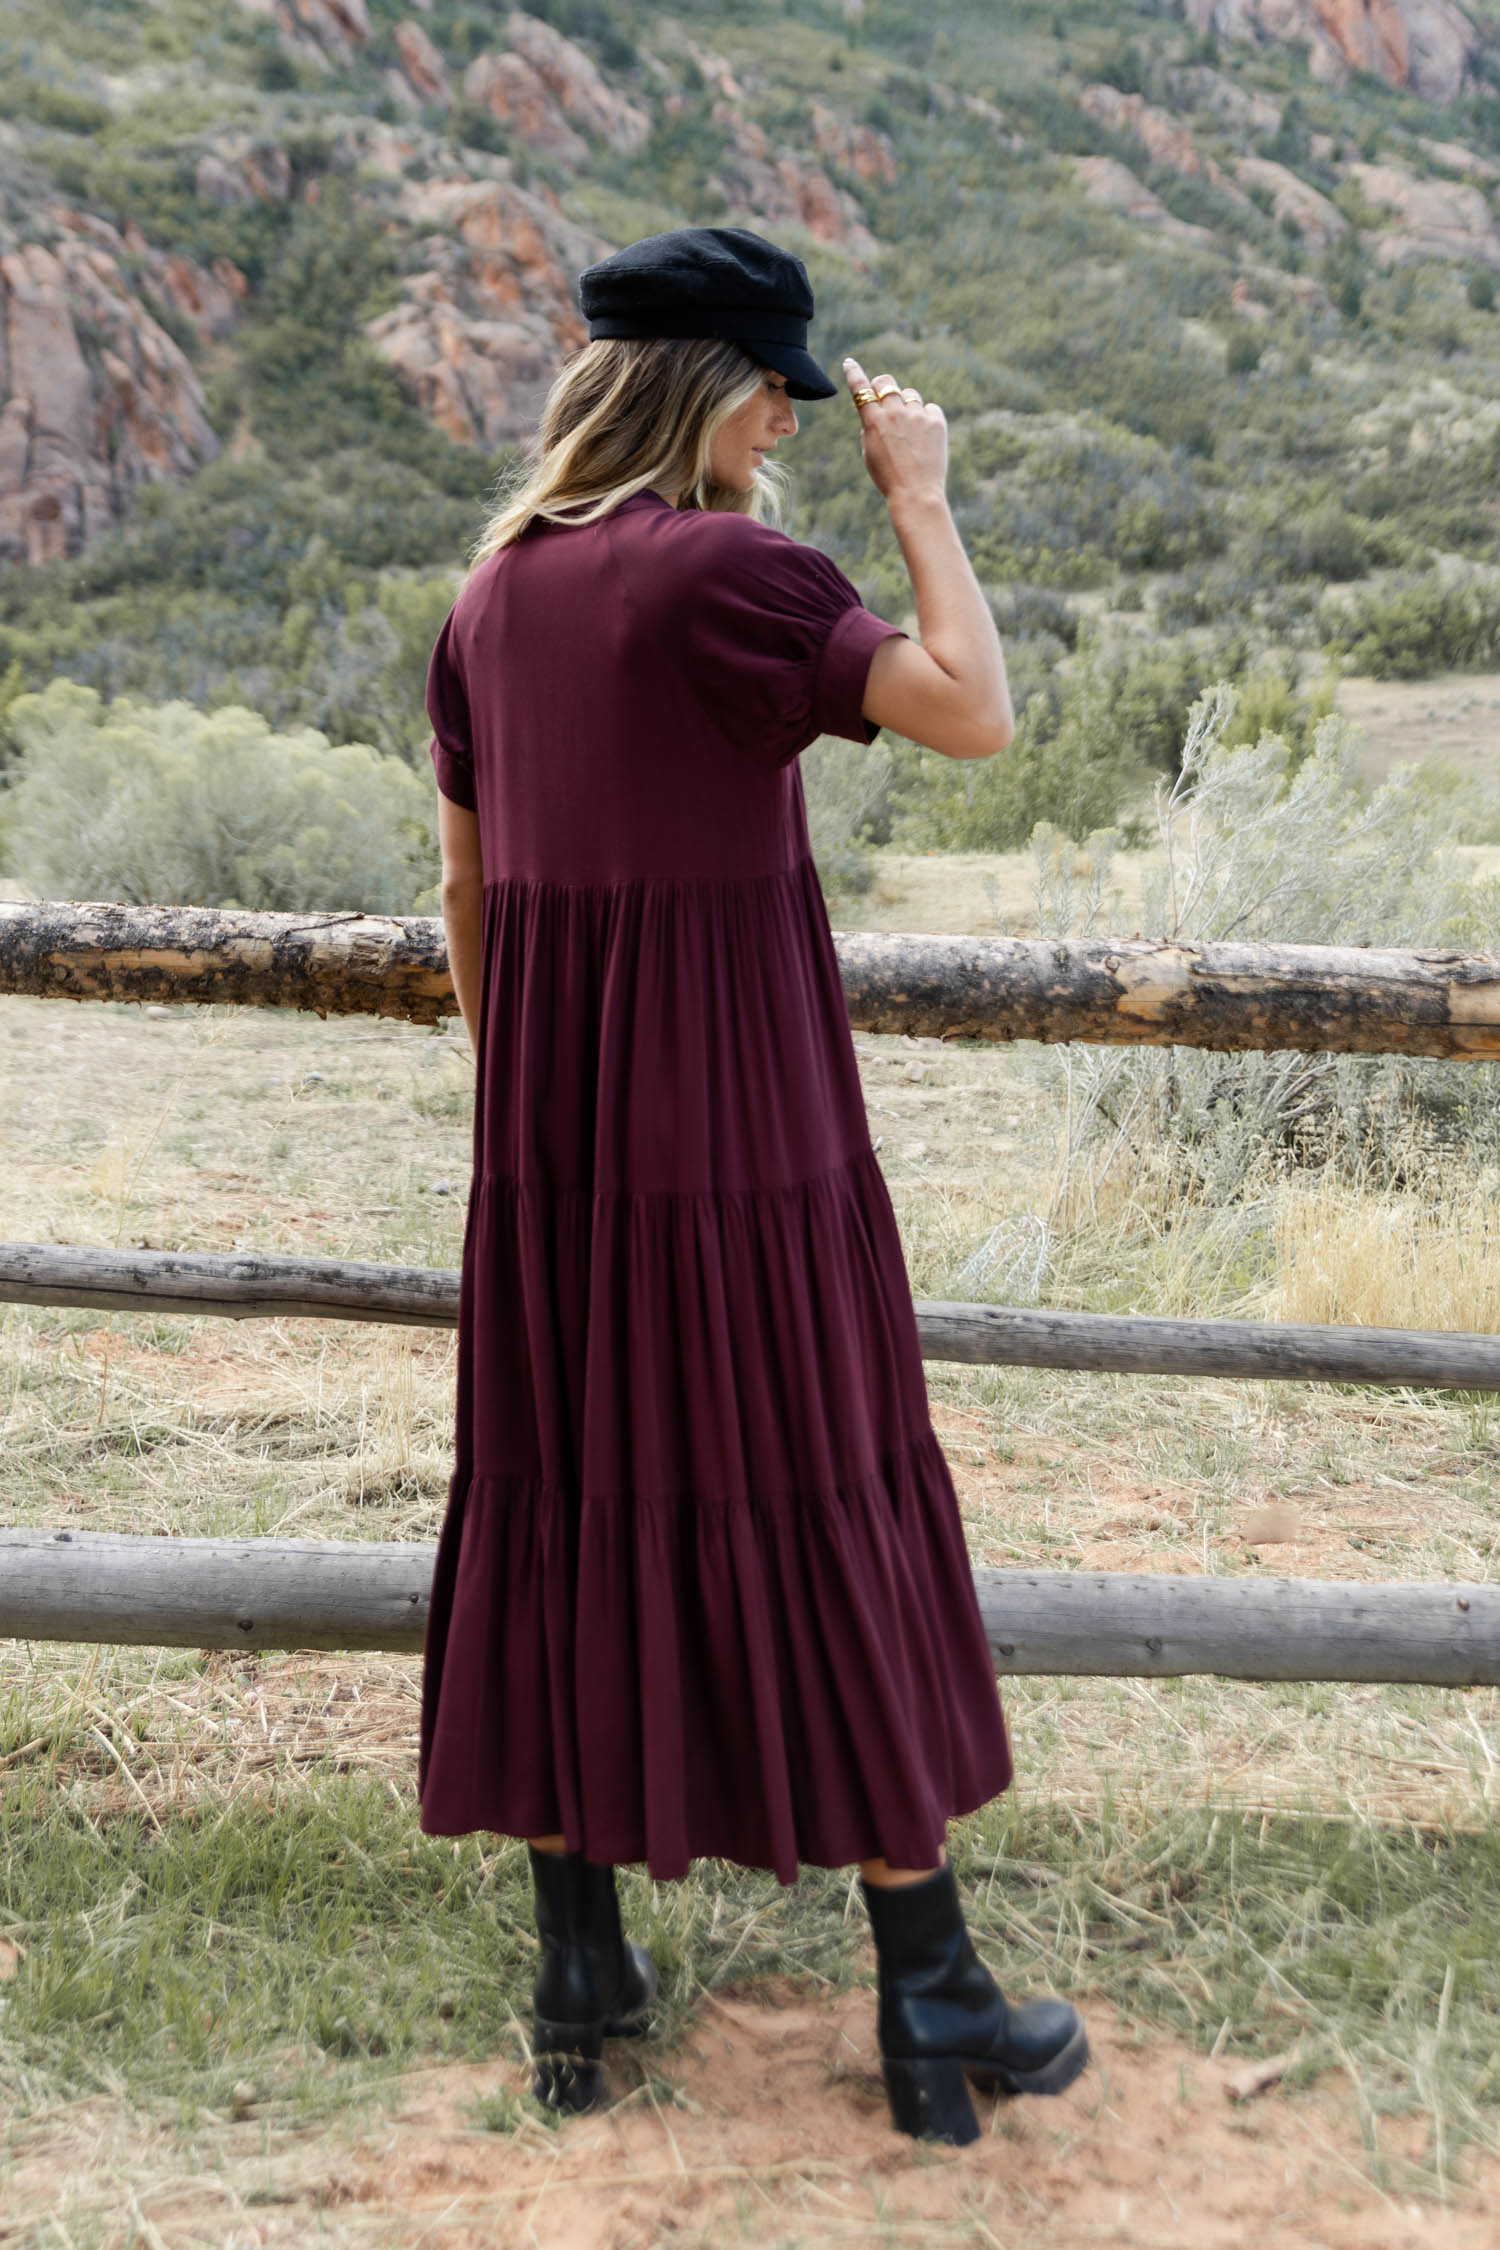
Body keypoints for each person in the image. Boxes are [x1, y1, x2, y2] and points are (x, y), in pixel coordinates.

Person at [418, 224, 1088, 2148]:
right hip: (746, 1143)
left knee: (565, 1503)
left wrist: (536, 1105)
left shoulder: (489, 600)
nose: (789, 427)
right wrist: (923, 497)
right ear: (704, 392)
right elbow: (974, 711)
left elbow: (465, 891)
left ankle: (578, 1970)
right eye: (775, 398)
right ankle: (930, 1985)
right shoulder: (728, 576)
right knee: (816, 1490)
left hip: (550, 1162)